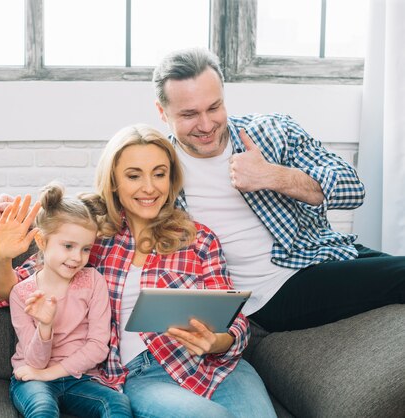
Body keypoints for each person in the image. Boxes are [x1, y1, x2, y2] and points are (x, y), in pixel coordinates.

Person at [0, 125, 277, 417]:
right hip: (143, 376)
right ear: (114, 181)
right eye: (134, 175)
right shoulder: (94, 239)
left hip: (219, 367)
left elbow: (235, 320)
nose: (150, 187)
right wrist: (1, 255)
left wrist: (217, 341)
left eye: (159, 173)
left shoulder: (199, 239)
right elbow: (13, 290)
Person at [150, 47, 404, 331]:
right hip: (273, 292)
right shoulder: (156, 170)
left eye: (214, 107)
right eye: (189, 115)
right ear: (162, 112)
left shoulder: (271, 131)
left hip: (324, 253)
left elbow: (352, 189)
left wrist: (272, 176)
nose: (207, 125)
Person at [0, 181, 133, 417]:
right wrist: (45, 326)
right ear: (42, 242)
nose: (77, 258)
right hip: (32, 379)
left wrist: (51, 373)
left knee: (117, 405)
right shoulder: (22, 293)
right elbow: (35, 364)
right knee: (43, 409)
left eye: (86, 249)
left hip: (81, 379)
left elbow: (98, 347)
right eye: (68, 246)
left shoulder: (93, 282)